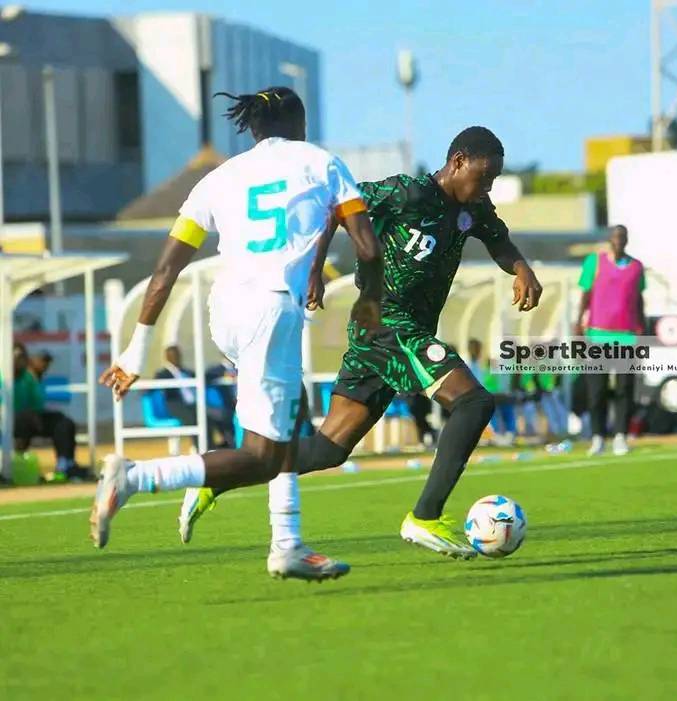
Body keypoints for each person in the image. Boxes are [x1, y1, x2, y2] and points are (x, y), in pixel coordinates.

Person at [182, 126, 543, 559]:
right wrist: (315, 269)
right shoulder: (405, 193)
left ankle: (220, 472)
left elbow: (499, 241)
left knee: (328, 449)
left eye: (493, 181)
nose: (487, 187)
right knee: (475, 403)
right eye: (483, 177)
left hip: (391, 335)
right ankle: (425, 517)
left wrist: (521, 269)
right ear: (459, 161)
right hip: (388, 322)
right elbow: (337, 209)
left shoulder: (475, 208)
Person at [93, 86, 383, 582]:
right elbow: (369, 250)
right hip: (272, 310)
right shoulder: (320, 162)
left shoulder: (218, 178)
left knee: (291, 418)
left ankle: (287, 545)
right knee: (261, 457)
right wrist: (369, 304)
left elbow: (164, 271)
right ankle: (137, 477)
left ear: (252, 130)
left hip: (225, 311)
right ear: (300, 123)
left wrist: (135, 348)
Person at [575, 225, 646, 456]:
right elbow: (585, 294)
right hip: (597, 335)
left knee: (625, 389)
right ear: (609, 240)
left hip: (626, 337)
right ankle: (597, 437)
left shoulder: (636, 267)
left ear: (627, 240)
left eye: (623, 237)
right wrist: (578, 323)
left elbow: (638, 299)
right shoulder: (594, 262)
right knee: (597, 390)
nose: (619, 241)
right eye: (615, 237)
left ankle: (620, 437)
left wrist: (642, 328)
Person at [12, 343, 90, 481]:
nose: (45, 365)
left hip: (31, 419)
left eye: (47, 361)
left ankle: (65, 464)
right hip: (10, 420)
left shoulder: (32, 378)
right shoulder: (7, 377)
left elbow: (37, 405)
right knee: (26, 418)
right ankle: (16, 465)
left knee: (63, 422)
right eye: (42, 360)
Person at [154, 345, 234, 449]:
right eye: (173, 355)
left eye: (177, 354)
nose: (176, 357)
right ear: (167, 357)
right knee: (198, 418)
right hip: (179, 406)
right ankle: (203, 449)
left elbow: (205, 377)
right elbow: (152, 388)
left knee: (221, 414)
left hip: (196, 405)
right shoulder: (163, 374)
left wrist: (223, 375)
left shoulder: (186, 372)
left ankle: (228, 445)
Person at [467, 338, 516, 445]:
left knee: (502, 414)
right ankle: (501, 436)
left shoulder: (482, 363)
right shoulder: (478, 363)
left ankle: (504, 436)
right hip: (493, 393)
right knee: (498, 415)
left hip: (495, 393)